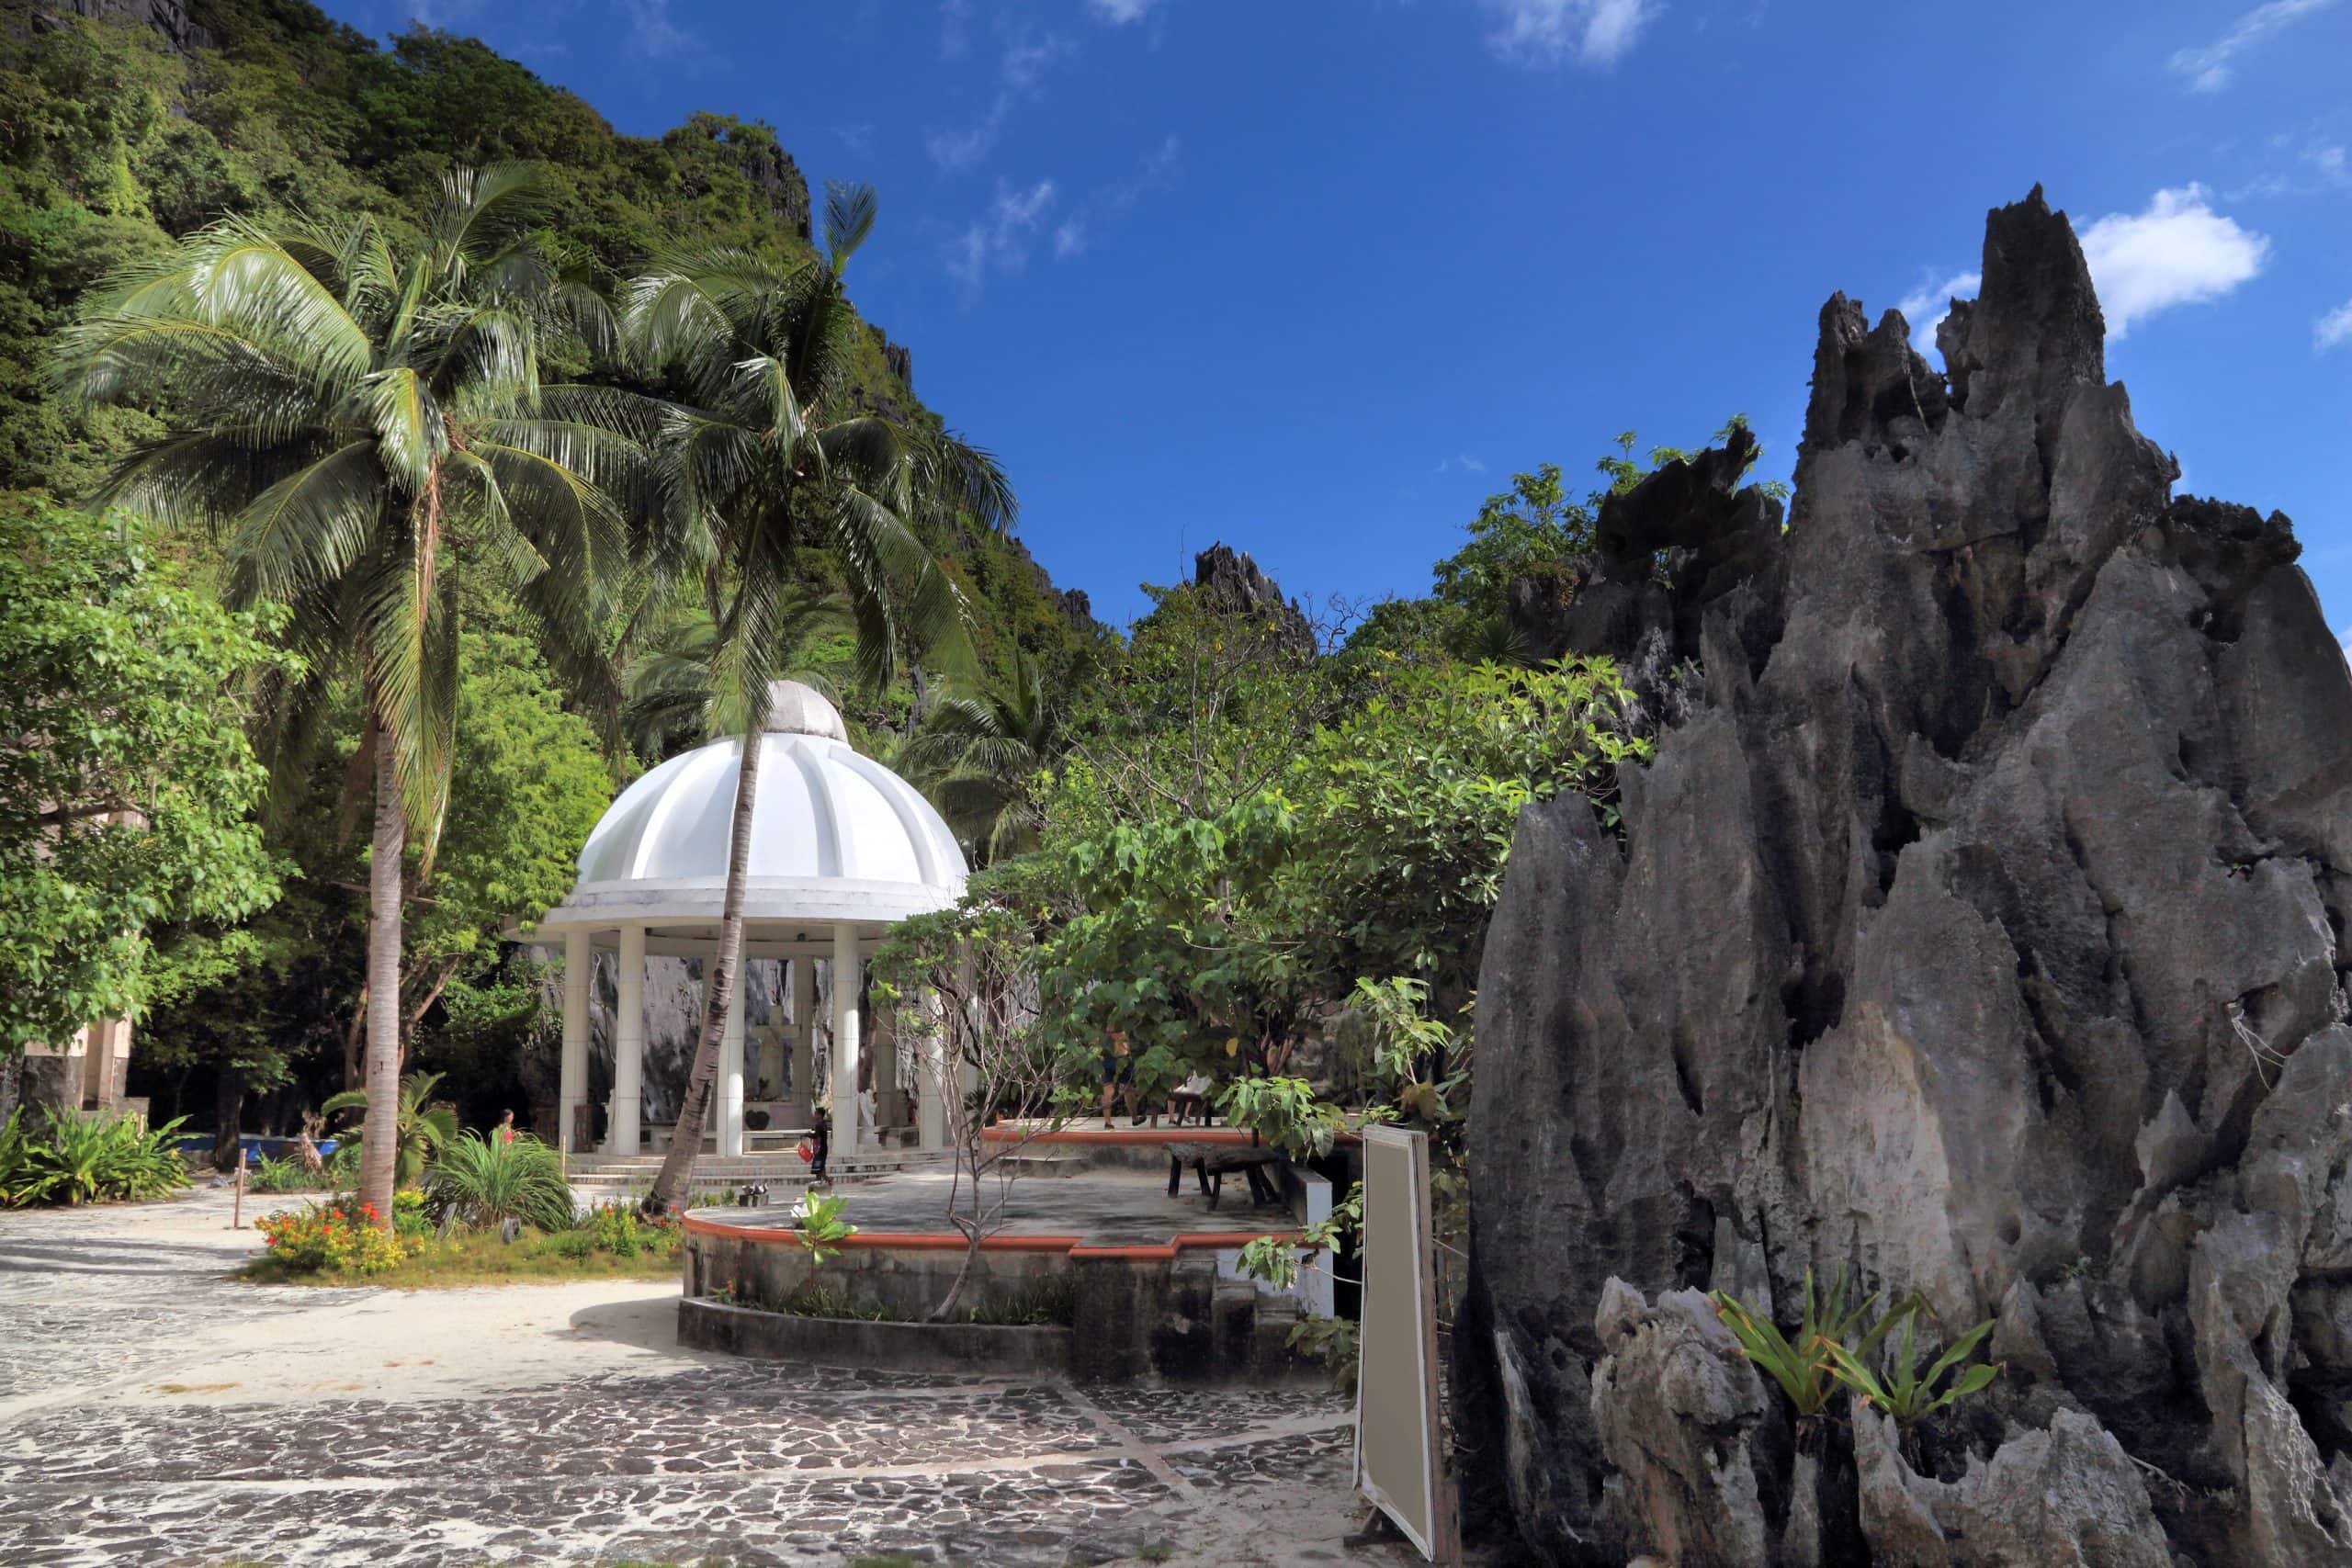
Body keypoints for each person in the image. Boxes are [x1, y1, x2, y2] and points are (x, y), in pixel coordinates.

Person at [1099, 1029, 1141, 1127]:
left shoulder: (1102, 1021)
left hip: (1110, 1057)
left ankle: (1108, 1122)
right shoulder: (1118, 1018)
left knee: (1110, 1089)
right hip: (1119, 1057)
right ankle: (1134, 1119)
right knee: (1126, 1089)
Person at [808, 1106, 831, 1185]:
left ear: (819, 1115)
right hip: (823, 1149)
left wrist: (807, 1134)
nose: (814, 1115)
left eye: (815, 1114)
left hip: (820, 1150)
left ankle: (829, 1182)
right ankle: (818, 1187)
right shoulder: (823, 1124)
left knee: (819, 1170)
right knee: (819, 1169)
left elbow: (815, 1136)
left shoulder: (819, 1125)